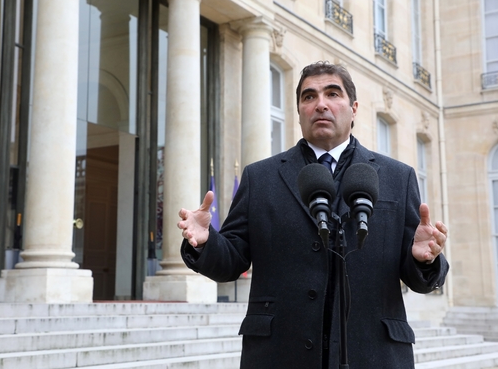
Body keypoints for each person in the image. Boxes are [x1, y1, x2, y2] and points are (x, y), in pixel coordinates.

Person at [178, 61, 449, 369]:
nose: (320, 104)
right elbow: (231, 261)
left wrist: (424, 260)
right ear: (299, 111)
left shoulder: (397, 177)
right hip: (280, 354)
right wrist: (204, 241)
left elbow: (419, 279)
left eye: (333, 94)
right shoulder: (261, 177)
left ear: (354, 108)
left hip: (373, 353)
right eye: (309, 97)